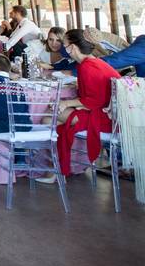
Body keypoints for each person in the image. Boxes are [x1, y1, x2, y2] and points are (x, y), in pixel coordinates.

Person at [36, 29, 122, 184]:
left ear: (73, 47)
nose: (63, 47)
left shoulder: (86, 67)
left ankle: (57, 171)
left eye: (65, 44)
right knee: (51, 122)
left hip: (104, 118)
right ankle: (59, 170)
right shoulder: (94, 62)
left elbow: (93, 101)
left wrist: (66, 103)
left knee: (49, 116)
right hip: (110, 115)